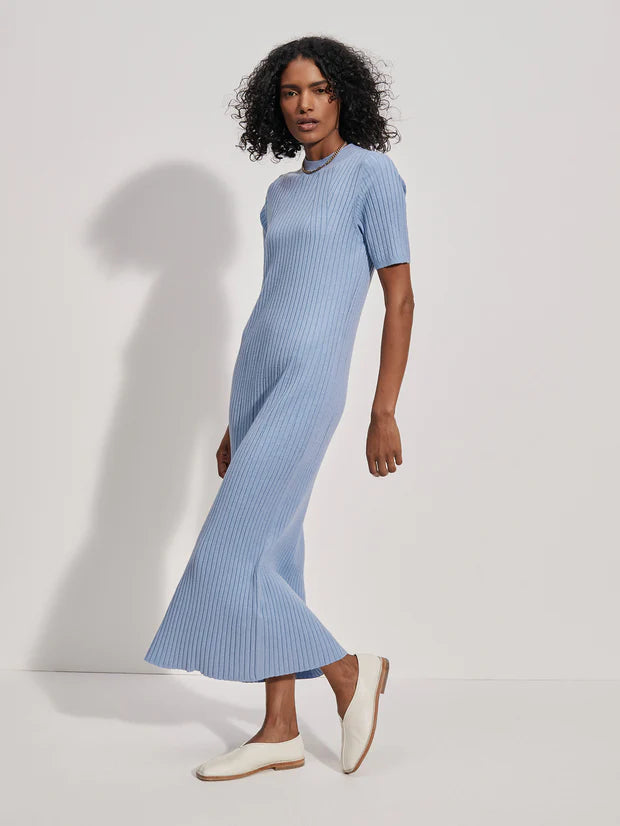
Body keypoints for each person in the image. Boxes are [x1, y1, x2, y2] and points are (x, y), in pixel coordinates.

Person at [144, 35, 414, 781]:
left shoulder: (372, 176)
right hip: (257, 379)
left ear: (344, 96)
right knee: (272, 556)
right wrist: (238, 418)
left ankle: (348, 670)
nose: (305, 104)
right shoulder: (281, 194)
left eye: (319, 89)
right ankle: (280, 729)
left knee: (227, 556)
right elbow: (277, 299)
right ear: (276, 103)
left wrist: (383, 409)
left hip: (310, 381)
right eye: (292, 92)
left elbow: (399, 299)